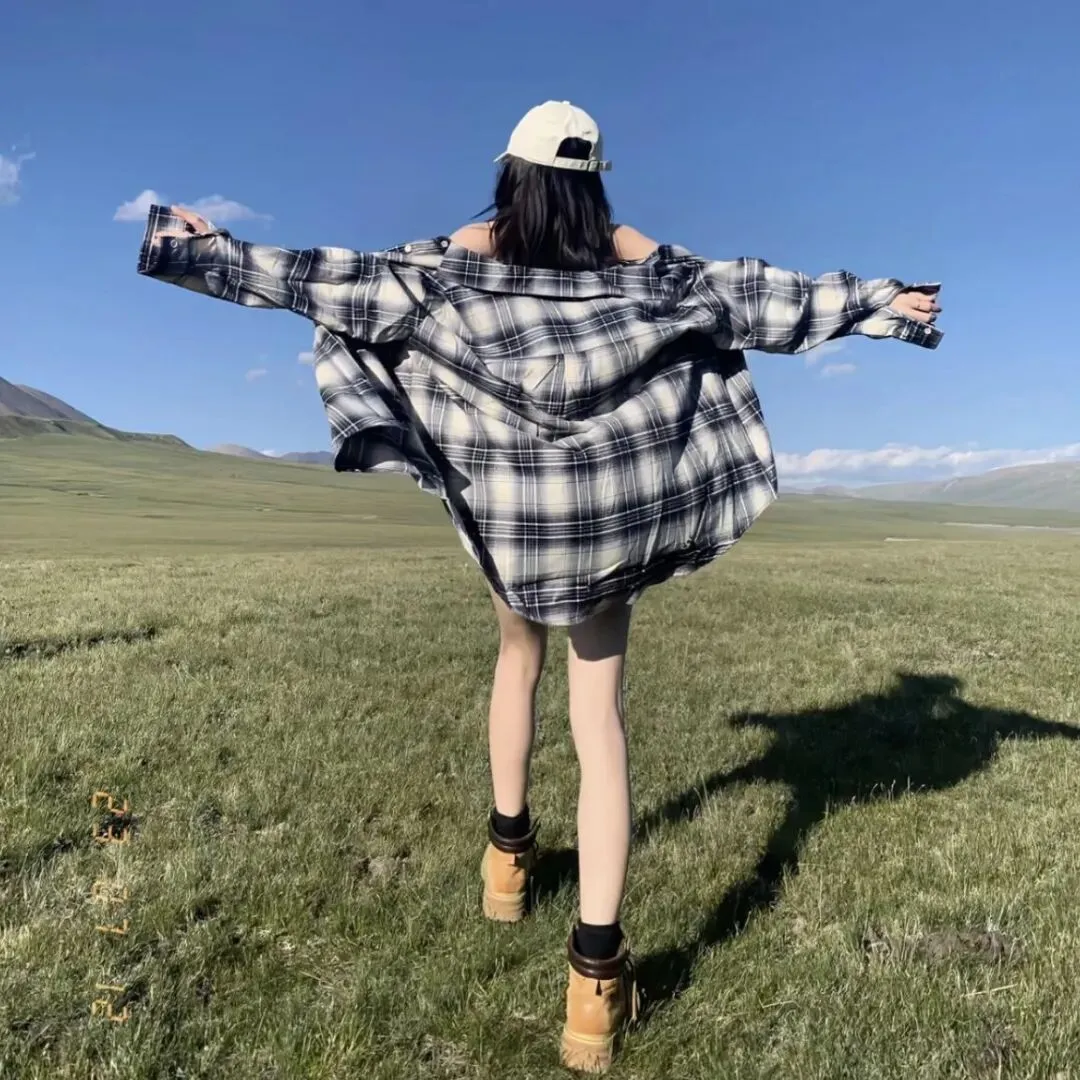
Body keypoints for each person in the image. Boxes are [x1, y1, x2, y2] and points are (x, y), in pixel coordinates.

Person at [139, 99, 942, 1073]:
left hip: (513, 519)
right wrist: (880, 303)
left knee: (516, 660)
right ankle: (595, 983)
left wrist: (202, 251)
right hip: (606, 519)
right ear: (595, 181)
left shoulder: (453, 262)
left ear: (510, 174)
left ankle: (507, 864)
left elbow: (326, 278)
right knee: (599, 721)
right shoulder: (637, 262)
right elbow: (751, 293)